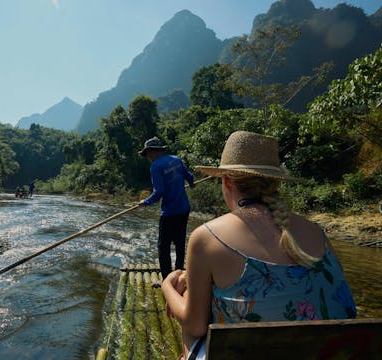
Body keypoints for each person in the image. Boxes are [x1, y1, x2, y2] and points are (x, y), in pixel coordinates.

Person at [161, 131, 357, 360]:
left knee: (191, 322)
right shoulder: (316, 231)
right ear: (275, 182)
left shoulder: (207, 237)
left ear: (226, 182)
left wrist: (168, 285)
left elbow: (195, 326)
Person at [138, 136, 195, 283]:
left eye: (147, 154)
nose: (147, 157)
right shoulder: (176, 159)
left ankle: (166, 280)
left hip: (170, 212)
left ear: (151, 152)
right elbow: (189, 176)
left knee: (163, 247)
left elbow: (159, 192)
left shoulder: (156, 166)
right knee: (180, 243)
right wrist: (192, 183)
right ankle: (179, 275)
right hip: (184, 208)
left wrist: (146, 202)